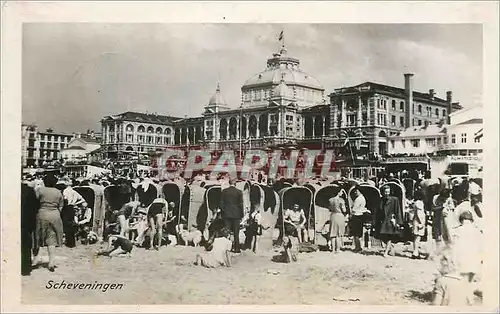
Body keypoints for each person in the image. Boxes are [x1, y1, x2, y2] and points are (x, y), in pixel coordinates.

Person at [32, 175, 64, 272]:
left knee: (37, 237)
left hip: (42, 214)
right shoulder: (58, 192)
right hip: (55, 215)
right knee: (52, 239)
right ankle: (51, 262)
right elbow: (61, 206)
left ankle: (35, 260)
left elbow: (34, 203)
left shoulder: (40, 190)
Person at [374, 185, 403, 257]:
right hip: (383, 221)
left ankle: (386, 252)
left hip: (390, 221)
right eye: (385, 192)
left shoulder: (394, 200)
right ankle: (391, 248)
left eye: (388, 192)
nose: (387, 193)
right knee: (383, 237)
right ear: (382, 192)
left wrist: (399, 222)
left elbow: (398, 211)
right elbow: (378, 211)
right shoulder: (380, 200)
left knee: (389, 237)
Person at [57, 177, 87, 248]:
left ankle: (68, 241)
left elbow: (64, 200)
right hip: (71, 208)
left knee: (65, 224)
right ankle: (71, 242)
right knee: (70, 224)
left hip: (66, 207)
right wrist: (75, 203)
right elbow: (82, 199)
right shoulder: (73, 191)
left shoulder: (65, 191)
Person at [219, 178, 244, 253]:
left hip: (227, 214)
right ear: (235, 183)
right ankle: (237, 249)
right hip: (236, 214)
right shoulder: (239, 192)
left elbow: (221, 203)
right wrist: (241, 215)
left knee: (226, 231)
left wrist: (224, 211)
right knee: (236, 232)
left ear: (229, 183)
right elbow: (241, 204)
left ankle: (225, 248)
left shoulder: (224, 191)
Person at [21, 181, 39, 276]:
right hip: (25, 222)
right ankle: (25, 269)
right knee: (25, 245)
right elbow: (36, 207)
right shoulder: (29, 190)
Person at [349, 187, 369, 252]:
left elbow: (354, 209)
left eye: (356, 191)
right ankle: (358, 247)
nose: (355, 192)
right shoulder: (363, 198)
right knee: (358, 233)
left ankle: (358, 247)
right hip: (360, 216)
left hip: (357, 216)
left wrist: (351, 214)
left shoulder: (358, 199)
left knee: (356, 233)